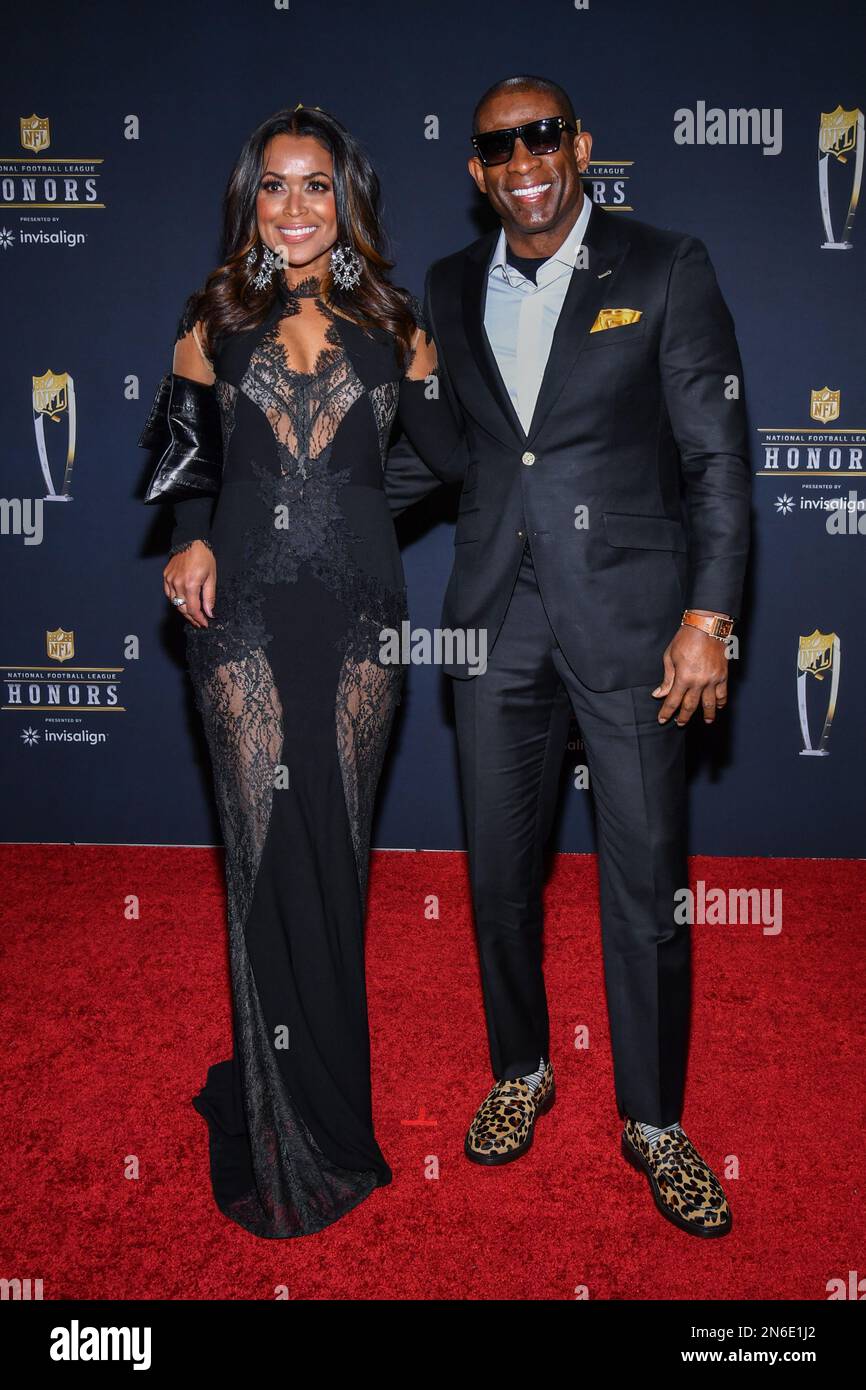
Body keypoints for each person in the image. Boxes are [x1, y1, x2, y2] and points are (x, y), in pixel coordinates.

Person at [385, 74, 751, 1237]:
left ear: (580, 145)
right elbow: (452, 454)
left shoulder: (663, 264)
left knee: (643, 885)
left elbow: (717, 461)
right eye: (498, 146)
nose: (523, 160)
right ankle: (519, 1069)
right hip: (494, 617)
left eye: (541, 136)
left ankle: (651, 1120)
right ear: (477, 171)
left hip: (638, 624)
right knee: (497, 873)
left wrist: (709, 617)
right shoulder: (446, 287)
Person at [140, 104, 465, 1238]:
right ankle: (284, 1132)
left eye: (314, 185)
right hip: (240, 616)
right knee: (262, 851)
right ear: (250, 199)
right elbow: (184, 460)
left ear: (347, 197)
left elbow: (455, 457)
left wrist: (357, 505)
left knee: (333, 851)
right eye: (272, 186)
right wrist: (194, 531)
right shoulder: (211, 316)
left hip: (361, 613)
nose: (292, 207)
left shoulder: (396, 321)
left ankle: (333, 1109)